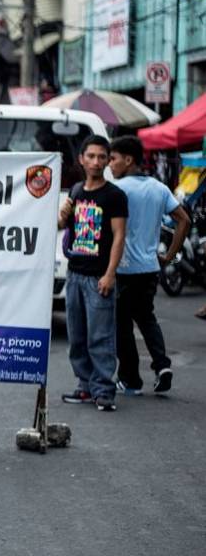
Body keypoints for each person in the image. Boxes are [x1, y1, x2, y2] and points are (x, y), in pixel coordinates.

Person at [109, 136, 190, 395]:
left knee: (122, 325)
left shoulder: (117, 189)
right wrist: (170, 256)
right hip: (150, 267)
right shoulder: (159, 188)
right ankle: (162, 365)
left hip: (122, 269)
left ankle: (130, 379)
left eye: (113, 159)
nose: (109, 164)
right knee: (146, 318)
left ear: (128, 160)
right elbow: (184, 220)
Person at [59, 135, 128, 412]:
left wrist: (110, 274)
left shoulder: (114, 195)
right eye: (91, 156)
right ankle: (85, 386)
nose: (96, 162)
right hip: (74, 274)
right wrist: (63, 214)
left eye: (102, 157)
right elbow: (62, 226)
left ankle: (103, 391)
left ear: (108, 160)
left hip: (98, 277)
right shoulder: (76, 191)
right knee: (77, 337)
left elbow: (119, 236)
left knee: (100, 337)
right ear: (81, 159)